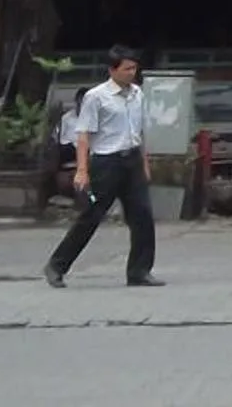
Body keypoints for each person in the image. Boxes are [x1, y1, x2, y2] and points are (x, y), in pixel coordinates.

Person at [45, 46, 162, 289]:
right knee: (91, 216)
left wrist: (145, 163)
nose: (132, 73)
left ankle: (139, 271)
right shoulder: (96, 97)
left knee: (142, 216)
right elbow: (84, 135)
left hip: (132, 161)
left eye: (134, 68)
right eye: (127, 68)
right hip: (107, 162)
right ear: (112, 70)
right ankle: (57, 265)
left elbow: (139, 132)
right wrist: (82, 170)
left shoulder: (137, 94)